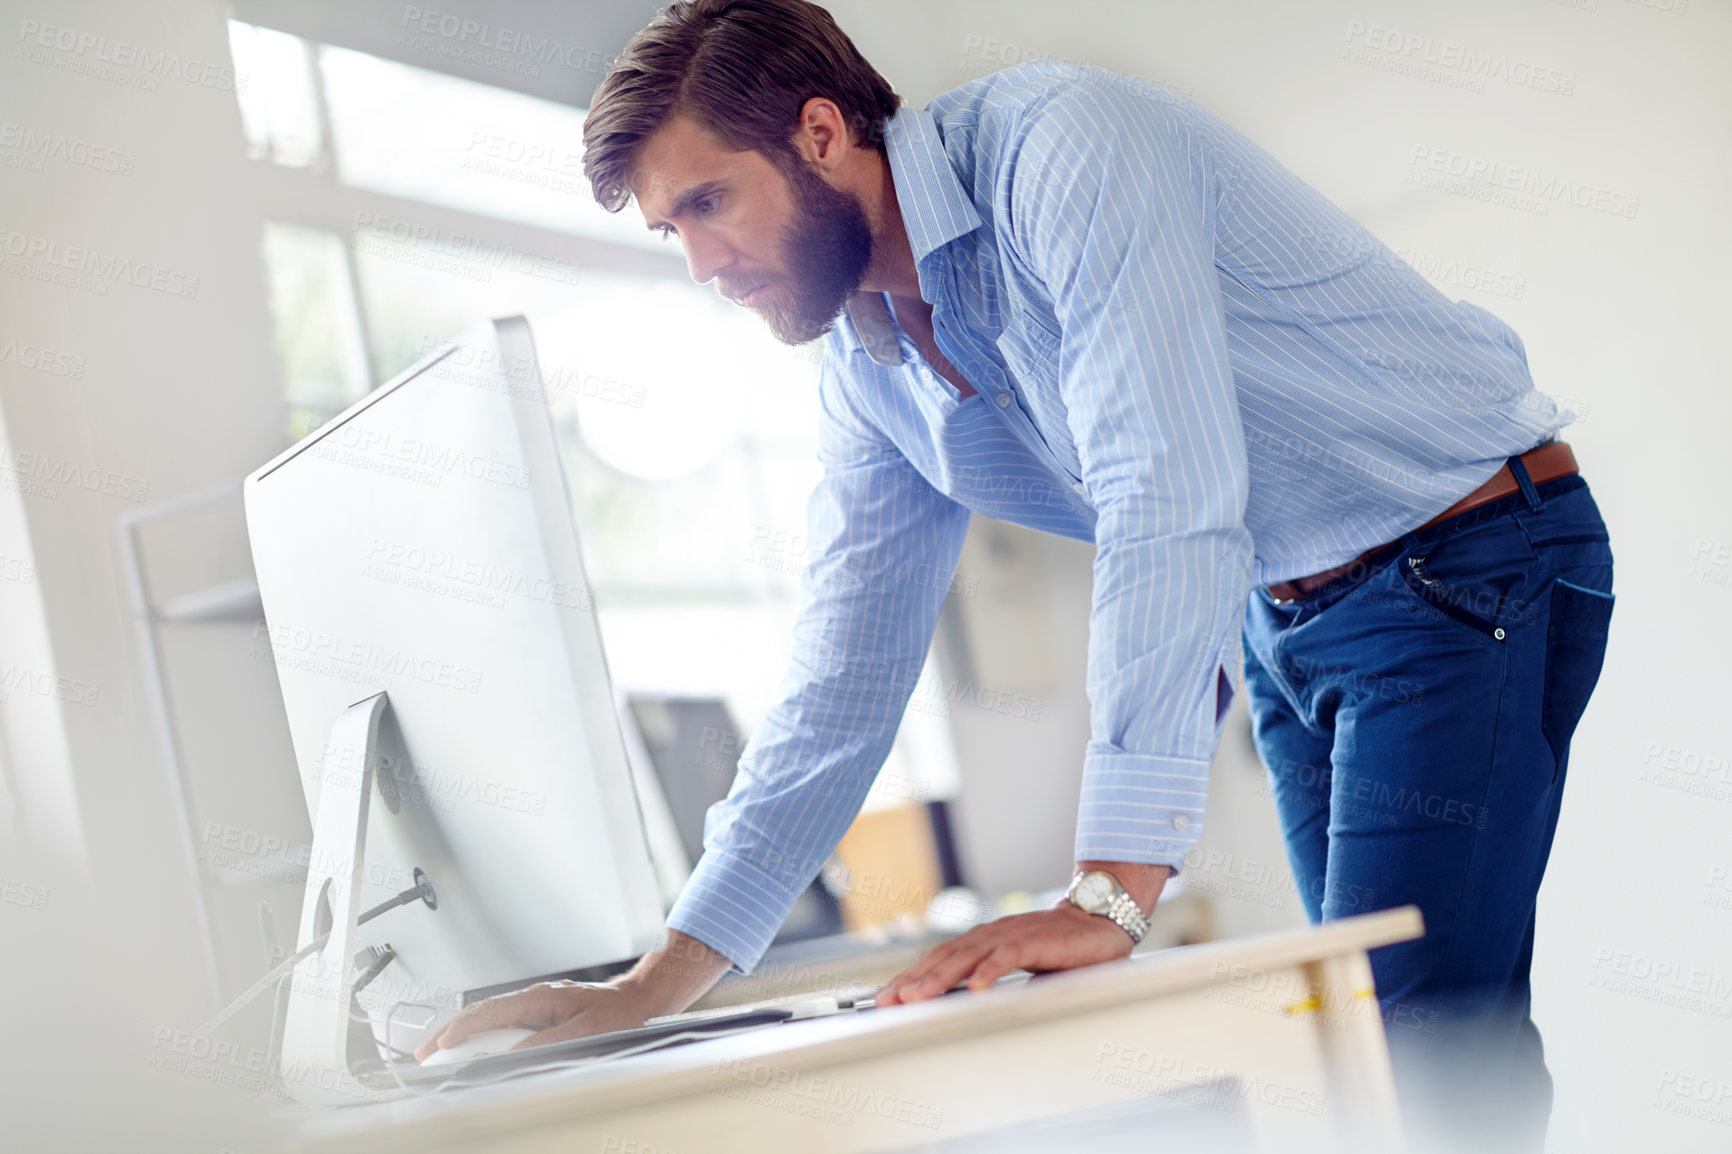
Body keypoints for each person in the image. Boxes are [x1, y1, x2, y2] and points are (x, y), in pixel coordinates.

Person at [417, 2, 1615, 1146]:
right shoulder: (867, 366)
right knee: (1364, 1034)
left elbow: (1165, 483)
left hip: (1468, 551)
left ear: (821, 133)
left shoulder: (1063, 148)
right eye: (669, 229)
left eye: (709, 201)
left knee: (1418, 1043)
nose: (700, 263)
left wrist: (1108, 891)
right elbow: (844, 675)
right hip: (1291, 608)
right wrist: (657, 980)